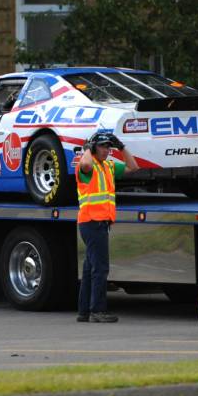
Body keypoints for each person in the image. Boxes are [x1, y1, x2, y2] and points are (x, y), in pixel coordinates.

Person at [76, 132, 139, 324]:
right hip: (93, 222)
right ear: (94, 148)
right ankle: (97, 311)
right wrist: (87, 148)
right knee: (100, 268)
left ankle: (84, 312)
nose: (106, 150)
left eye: (108, 147)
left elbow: (133, 167)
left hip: (98, 222)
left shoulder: (108, 166)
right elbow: (86, 165)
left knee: (90, 268)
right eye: (102, 146)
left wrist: (122, 147)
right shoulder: (87, 165)